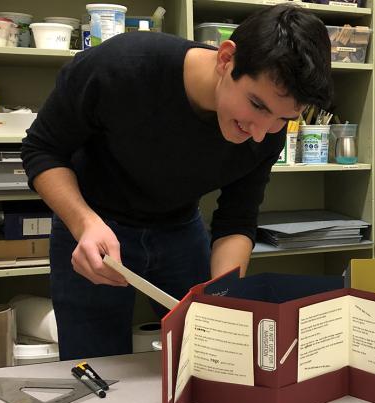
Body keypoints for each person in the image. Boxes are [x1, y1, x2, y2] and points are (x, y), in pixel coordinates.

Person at [20, 4, 333, 360]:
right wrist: (84, 223)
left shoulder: (268, 130)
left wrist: (223, 296)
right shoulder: (122, 65)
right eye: (257, 105)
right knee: (94, 363)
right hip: (93, 223)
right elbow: (42, 150)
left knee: (206, 352)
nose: (261, 133)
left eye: (283, 118)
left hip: (179, 229)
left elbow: (237, 220)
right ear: (226, 59)